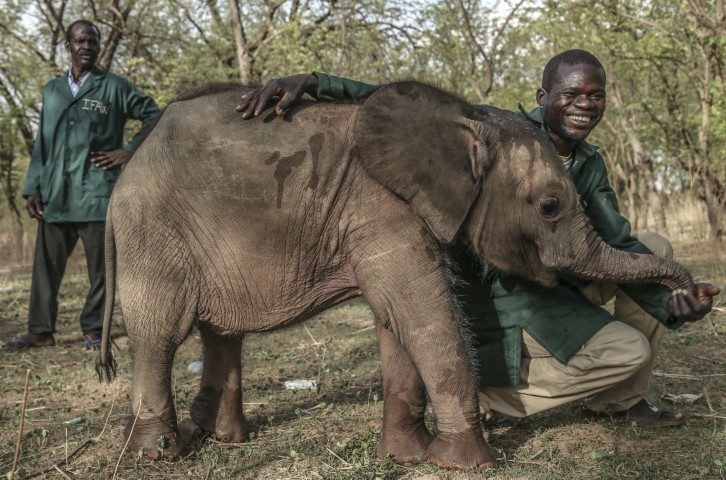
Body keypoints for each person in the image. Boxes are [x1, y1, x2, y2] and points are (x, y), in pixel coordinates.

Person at [236, 50, 719, 426]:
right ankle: (483, 397)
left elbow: (616, 243)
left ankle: (619, 402)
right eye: (570, 94)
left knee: (656, 247)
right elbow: (402, 104)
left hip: (563, 270)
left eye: (594, 96)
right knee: (626, 350)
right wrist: (318, 82)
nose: (583, 105)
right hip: (507, 287)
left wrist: (673, 297)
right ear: (543, 96)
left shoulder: (589, 162)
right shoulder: (501, 133)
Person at [6, 20, 160, 351]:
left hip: (97, 194)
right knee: (45, 270)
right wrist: (33, 186)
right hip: (55, 196)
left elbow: (154, 114)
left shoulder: (115, 87)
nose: (87, 45)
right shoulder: (52, 90)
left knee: (101, 271)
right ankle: (40, 330)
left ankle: (94, 331)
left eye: (92, 40)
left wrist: (129, 151)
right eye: (80, 40)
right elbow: (42, 143)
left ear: (99, 46)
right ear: (68, 45)